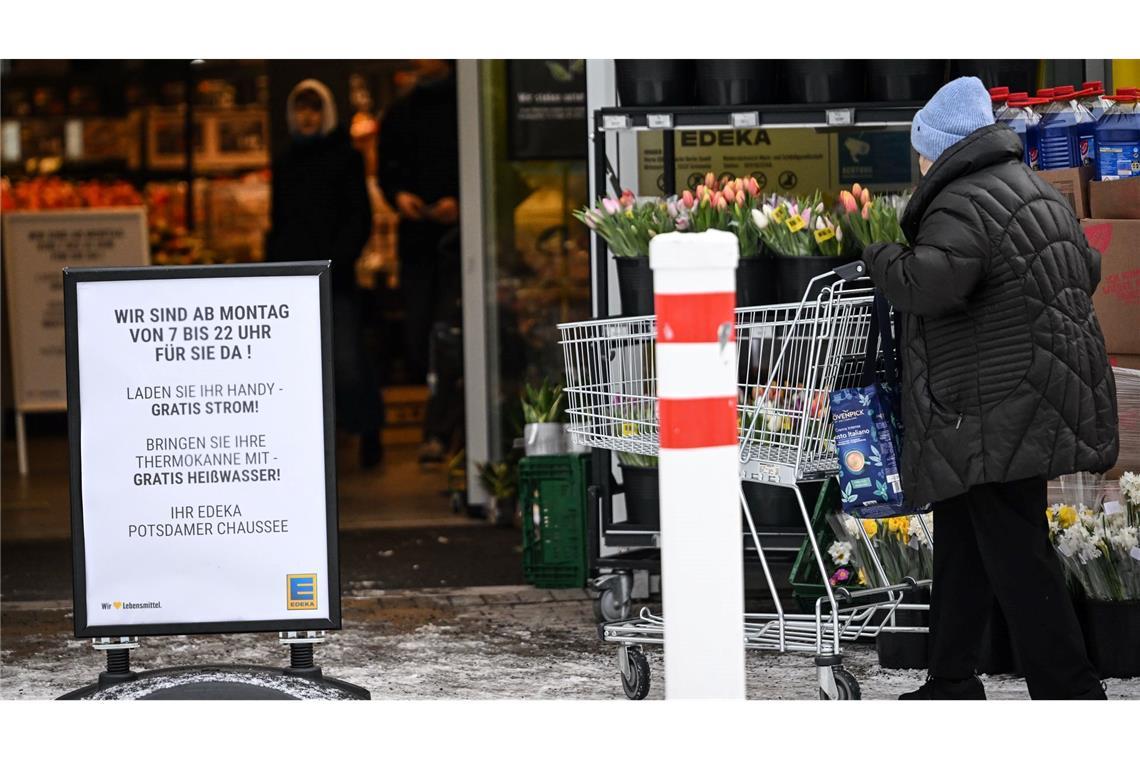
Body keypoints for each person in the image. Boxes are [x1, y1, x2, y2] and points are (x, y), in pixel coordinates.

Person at [862, 76, 1119, 700]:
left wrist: (880, 256)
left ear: (941, 147)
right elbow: (1085, 268)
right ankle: (950, 678)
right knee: (963, 540)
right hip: (1032, 391)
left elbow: (931, 284)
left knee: (1014, 551)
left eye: (921, 149)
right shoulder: (1032, 188)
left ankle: (1072, 692)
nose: (919, 163)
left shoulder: (960, 200)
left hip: (990, 403)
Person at [266, 79, 383, 469]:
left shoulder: (345, 158)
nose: (307, 116)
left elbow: (359, 217)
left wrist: (339, 259)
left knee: (347, 362)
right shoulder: (284, 162)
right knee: (298, 365)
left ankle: (367, 432)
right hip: (292, 282)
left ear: (326, 112)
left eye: (314, 108)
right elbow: (279, 221)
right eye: (301, 109)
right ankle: (313, 444)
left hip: (337, 278)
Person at [377, 60, 461, 464]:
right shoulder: (401, 110)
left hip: (461, 239)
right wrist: (399, 197)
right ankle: (441, 428)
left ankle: (441, 431)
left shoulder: (466, 105)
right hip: (415, 239)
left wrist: (462, 204)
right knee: (420, 336)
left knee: (449, 335)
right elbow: (385, 170)